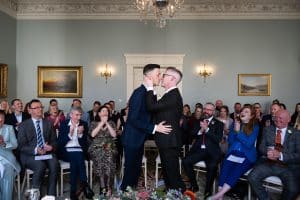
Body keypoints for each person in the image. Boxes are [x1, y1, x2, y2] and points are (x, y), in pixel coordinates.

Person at [120, 64, 171, 191]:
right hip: (132, 139)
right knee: (130, 173)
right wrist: (154, 128)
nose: (160, 77)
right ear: (148, 76)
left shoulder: (148, 92)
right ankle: (123, 194)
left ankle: (130, 193)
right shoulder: (139, 93)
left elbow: (151, 111)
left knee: (136, 171)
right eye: (158, 74)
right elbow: (133, 119)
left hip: (138, 138)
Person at [145, 66, 186, 192]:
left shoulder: (173, 96)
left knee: (172, 173)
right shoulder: (169, 95)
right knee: (168, 171)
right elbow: (157, 110)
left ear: (173, 79)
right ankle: (170, 191)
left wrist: (150, 88)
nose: (162, 77)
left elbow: (152, 107)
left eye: (165, 75)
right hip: (166, 140)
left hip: (170, 140)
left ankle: (178, 193)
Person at [209, 105, 259, 200]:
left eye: (247, 112)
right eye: (243, 111)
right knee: (225, 166)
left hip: (247, 155)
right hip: (233, 152)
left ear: (251, 116)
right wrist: (235, 130)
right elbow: (231, 141)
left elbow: (249, 144)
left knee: (236, 170)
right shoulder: (235, 124)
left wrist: (238, 132)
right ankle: (220, 196)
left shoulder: (255, 127)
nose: (243, 113)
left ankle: (219, 194)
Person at [248, 109, 300, 200]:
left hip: (288, 166)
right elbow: (261, 147)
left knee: (293, 190)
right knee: (252, 177)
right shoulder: (267, 129)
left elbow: (298, 155)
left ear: (289, 119)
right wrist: (267, 152)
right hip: (269, 163)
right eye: (275, 117)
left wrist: (280, 155)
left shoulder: (296, 134)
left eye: (281, 118)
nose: (277, 120)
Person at [17, 99, 58, 196]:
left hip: (47, 153)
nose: (40, 109)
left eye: (41, 107)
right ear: (30, 110)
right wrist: (36, 150)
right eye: (37, 108)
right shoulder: (24, 125)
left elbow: (55, 142)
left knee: (55, 164)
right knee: (40, 166)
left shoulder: (48, 123)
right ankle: (35, 196)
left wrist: (51, 147)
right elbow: (21, 146)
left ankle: (50, 195)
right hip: (30, 155)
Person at [182, 102, 224, 198]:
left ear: (213, 112)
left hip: (212, 152)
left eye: (209, 110)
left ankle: (208, 190)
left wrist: (207, 129)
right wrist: (200, 131)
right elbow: (191, 135)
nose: (206, 111)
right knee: (185, 161)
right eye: (205, 109)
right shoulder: (198, 121)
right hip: (198, 150)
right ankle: (194, 185)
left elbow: (218, 139)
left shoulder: (219, 124)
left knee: (212, 166)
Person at [57, 106, 94, 200]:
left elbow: (84, 143)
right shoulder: (64, 124)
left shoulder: (84, 124)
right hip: (66, 150)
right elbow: (60, 143)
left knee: (76, 159)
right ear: (71, 115)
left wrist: (80, 134)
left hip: (78, 149)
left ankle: (73, 192)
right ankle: (84, 185)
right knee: (78, 157)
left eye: (80, 115)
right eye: (77, 115)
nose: (79, 117)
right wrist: (70, 134)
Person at [89, 105, 117, 196]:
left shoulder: (112, 123)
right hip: (97, 147)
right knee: (100, 156)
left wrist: (107, 123)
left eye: (107, 111)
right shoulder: (94, 123)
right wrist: (101, 123)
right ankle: (102, 186)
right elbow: (93, 135)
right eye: (103, 111)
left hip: (109, 147)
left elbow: (113, 135)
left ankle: (108, 187)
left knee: (109, 157)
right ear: (99, 113)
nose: (106, 113)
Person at [0, 110, 21, 200]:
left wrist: (4, 144)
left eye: (2, 119)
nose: (1, 121)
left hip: (7, 158)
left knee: (7, 170)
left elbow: (15, 144)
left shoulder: (9, 128)